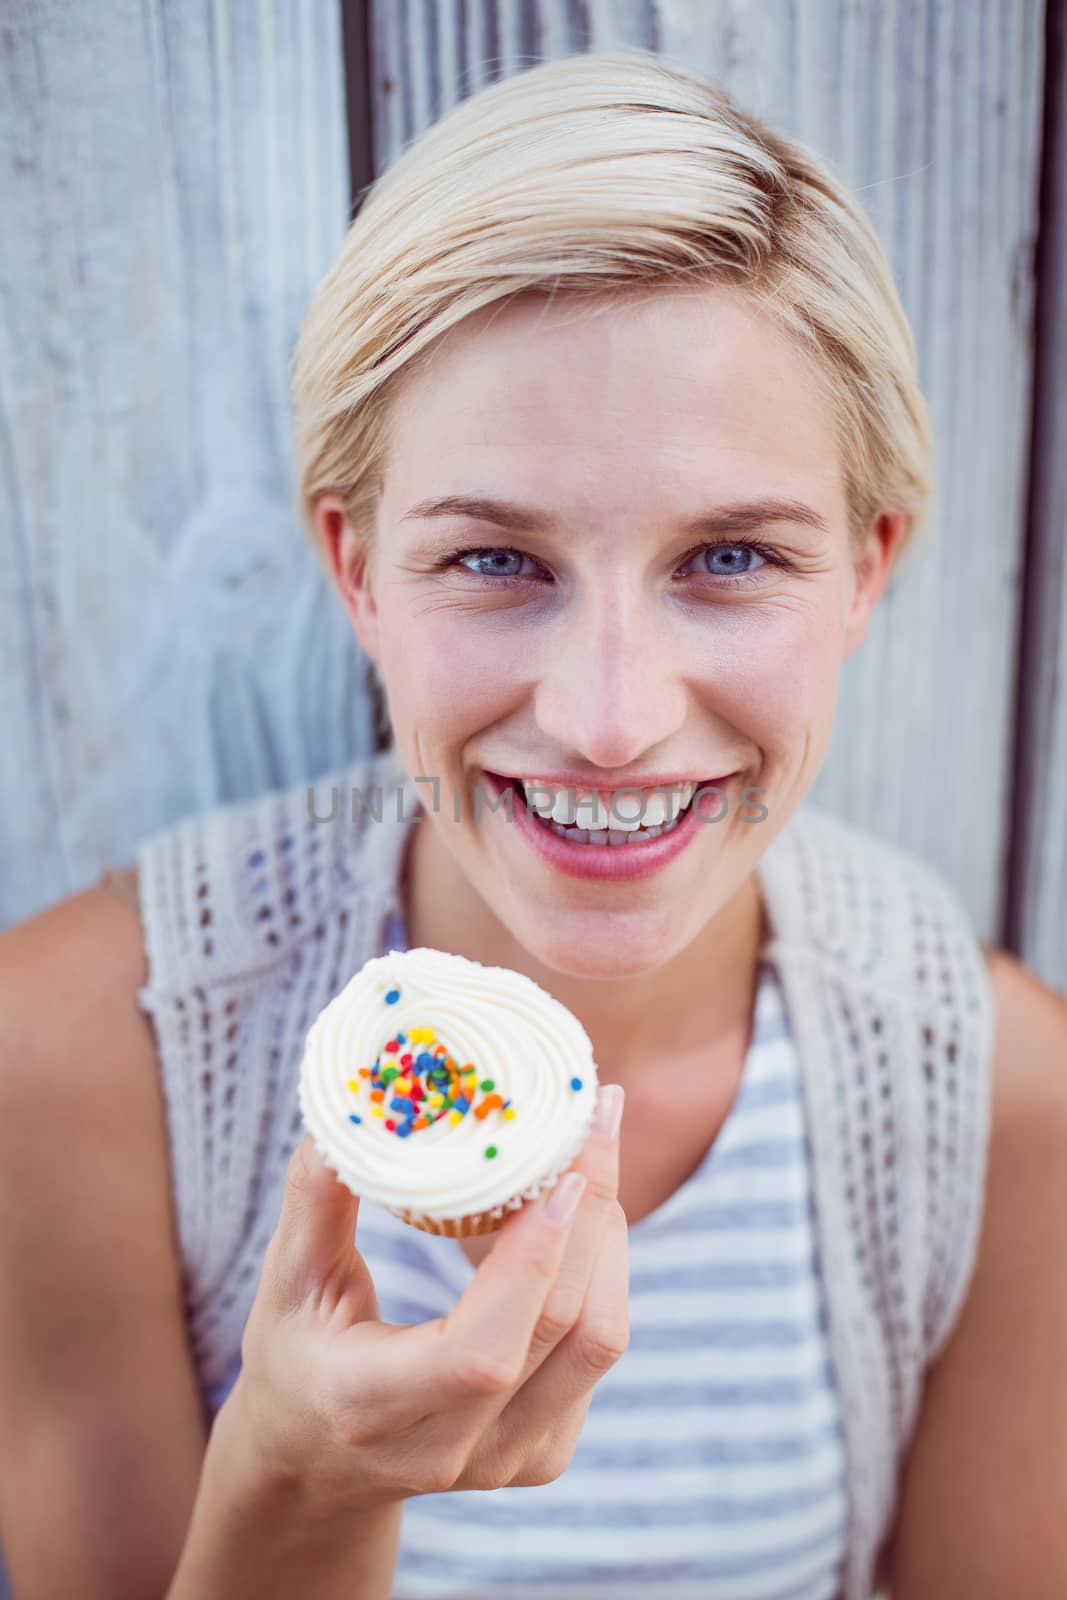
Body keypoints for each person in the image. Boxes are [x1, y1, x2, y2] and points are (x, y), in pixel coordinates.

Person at [1, 47, 1065, 1600]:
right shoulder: (84, 1060)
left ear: (868, 566)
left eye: (733, 558)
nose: (611, 717)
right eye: (497, 562)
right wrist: (295, 1493)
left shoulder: (1000, 1105)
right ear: (357, 570)